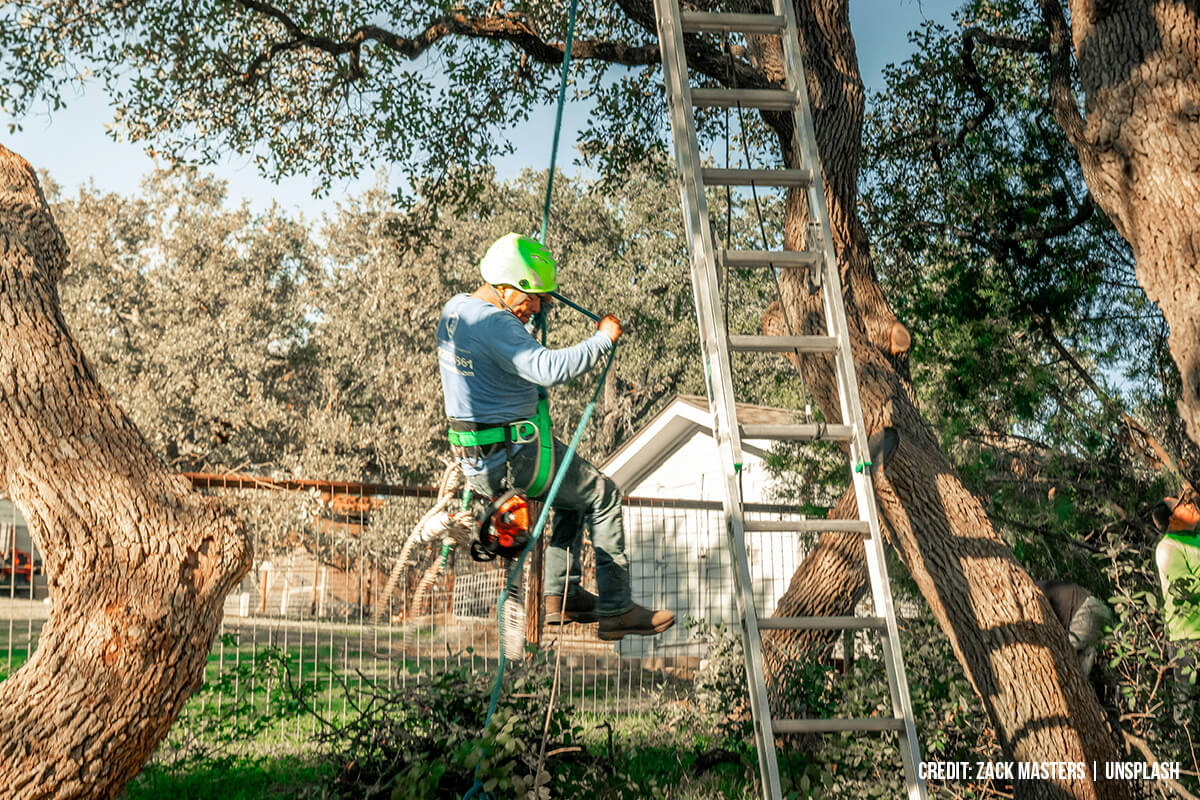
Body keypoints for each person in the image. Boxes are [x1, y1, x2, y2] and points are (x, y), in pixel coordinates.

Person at [437, 232, 675, 641]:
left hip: (479, 457)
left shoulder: (456, 310)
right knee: (602, 494)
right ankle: (617, 608)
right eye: (531, 298)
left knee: (572, 501)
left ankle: (560, 596)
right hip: (516, 456)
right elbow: (548, 368)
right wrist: (603, 339)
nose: (535, 309)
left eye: (543, 300)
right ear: (506, 286)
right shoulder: (497, 323)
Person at [1036, 579, 1113, 676]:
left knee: (1063, 661)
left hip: (1086, 612)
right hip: (1099, 612)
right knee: (1080, 676)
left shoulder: (1034, 591)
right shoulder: (1042, 586)